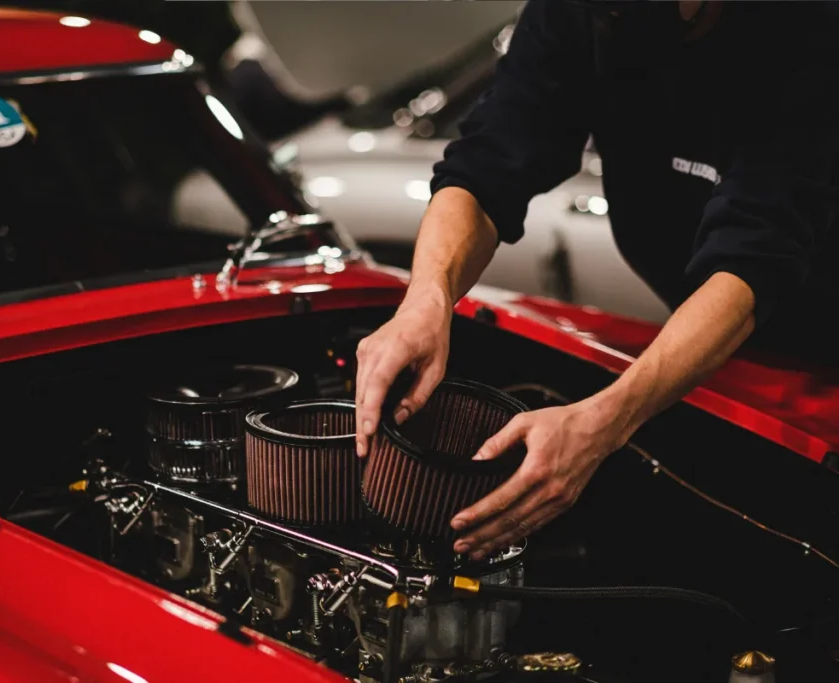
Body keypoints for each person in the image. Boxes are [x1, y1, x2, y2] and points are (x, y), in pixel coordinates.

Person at [354, 0, 839, 561]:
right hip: (730, 347)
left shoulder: (807, 30)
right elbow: (485, 169)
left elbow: (753, 255)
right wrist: (426, 300)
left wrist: (602, 425)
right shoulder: (581, 12)